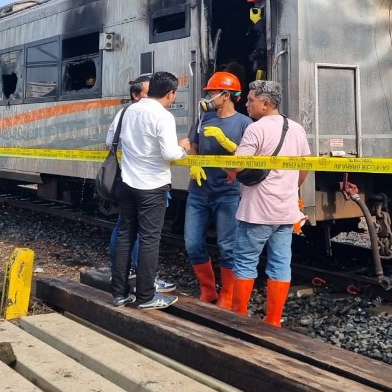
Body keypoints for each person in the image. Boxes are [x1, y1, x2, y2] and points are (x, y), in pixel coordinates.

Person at [228, 80, 310, 327]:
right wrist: (290, 188)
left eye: (251, 100)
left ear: (265, 104)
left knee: (244, 262)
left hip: (257, 211)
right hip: (286, 211)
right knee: (280, 264)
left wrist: (226, 161)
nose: (246, 104)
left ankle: (239, 316)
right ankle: (274, 319)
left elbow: (236, 165)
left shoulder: (256, 129)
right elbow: (304, 167)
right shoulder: (296, 128)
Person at [110, 71, 189, 309]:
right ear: (170, 93)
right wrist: (182, 148)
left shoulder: (127, 111)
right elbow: (169, 154)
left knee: (125, 235)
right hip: (152, 187)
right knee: (149, 240)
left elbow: (110, 141)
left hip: (126, 183)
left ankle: (119, 294)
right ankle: (146, 297)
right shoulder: (162, 116)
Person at [185, 72, 251, 308]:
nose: (209, 97)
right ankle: (207, 289)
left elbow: (248, 159)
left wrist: (227, 143)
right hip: (199, 190)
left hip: (227, 192)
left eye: (213, 93)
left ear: (226, 95)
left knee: (227, 245)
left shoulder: (244, 123)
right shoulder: (203, 119)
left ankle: (228, 294)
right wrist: (193, 164)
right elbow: (193, 146)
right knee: (192, 243)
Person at [246, 0, 267, 80]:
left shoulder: (270, 13)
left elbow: (267, 32)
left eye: (258, 1)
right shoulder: (261, 14)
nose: (256, 4)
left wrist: (258, 22)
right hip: (261, 62)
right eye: (254, 2)